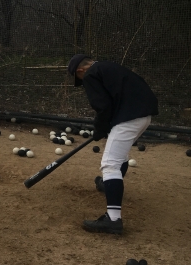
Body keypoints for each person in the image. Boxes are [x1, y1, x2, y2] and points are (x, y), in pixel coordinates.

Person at [68, 54, 159, 235]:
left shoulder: (90, 74)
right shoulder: (107, 67)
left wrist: (100, 128)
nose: (83, 81)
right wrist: (106, 126)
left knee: (110, 164)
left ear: (80, 70)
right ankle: (106, 184)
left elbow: (102, 106)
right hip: (142, 115)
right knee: (119, 156)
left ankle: (113, 219)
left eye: (79, 78)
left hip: (130, 118)